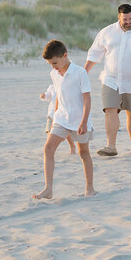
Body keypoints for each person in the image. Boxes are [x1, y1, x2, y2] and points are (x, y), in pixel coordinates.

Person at [85, 3, 131, 157]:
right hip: (111, 79)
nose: (129, 22)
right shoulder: (107, 32)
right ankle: (111, 146)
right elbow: (94, 54)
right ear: (119, 17)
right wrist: (84, 73)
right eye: (125, 19)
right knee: (110, 110)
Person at [33, 40, 96, 199]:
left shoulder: (80, 73)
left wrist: (83, 121)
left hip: (80, 119)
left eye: (54, 62)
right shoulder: (54, 73)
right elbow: (57, 97)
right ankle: (48, 189)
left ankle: (90, 188)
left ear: (65, 55)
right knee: (48, 148)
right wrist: (54, 116)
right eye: (50, 64)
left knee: (83, 152)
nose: (53, 66)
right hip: (61, 118)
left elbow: (87, 99)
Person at [40, 82, 75, 154]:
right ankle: (49, 148)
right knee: (49, 131)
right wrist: (44, 96)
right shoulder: (52, 87)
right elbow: (47, 95)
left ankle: (72, 146)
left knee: (66, 133)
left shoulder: (66, 85)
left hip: (62, 114)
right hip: (51, 113)